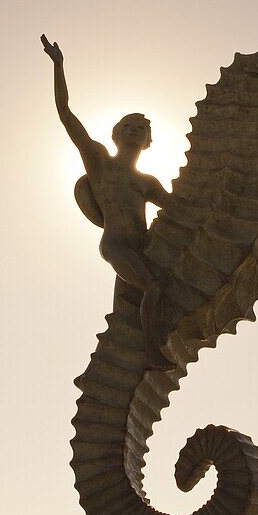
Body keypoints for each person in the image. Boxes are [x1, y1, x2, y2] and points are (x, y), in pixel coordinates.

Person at [41, 34, 173, 371]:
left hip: (142, 246)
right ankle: (152, 351)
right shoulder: (99, 161)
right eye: (126, 125)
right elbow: (65, 114)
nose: (133, 130)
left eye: (140, 127)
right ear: (115, 134)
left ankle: (133, 353)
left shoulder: (147, 182)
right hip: (115, 245)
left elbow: (178, 209)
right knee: (153, 286)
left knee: (128, 311)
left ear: (148, 141)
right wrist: (59, 66)